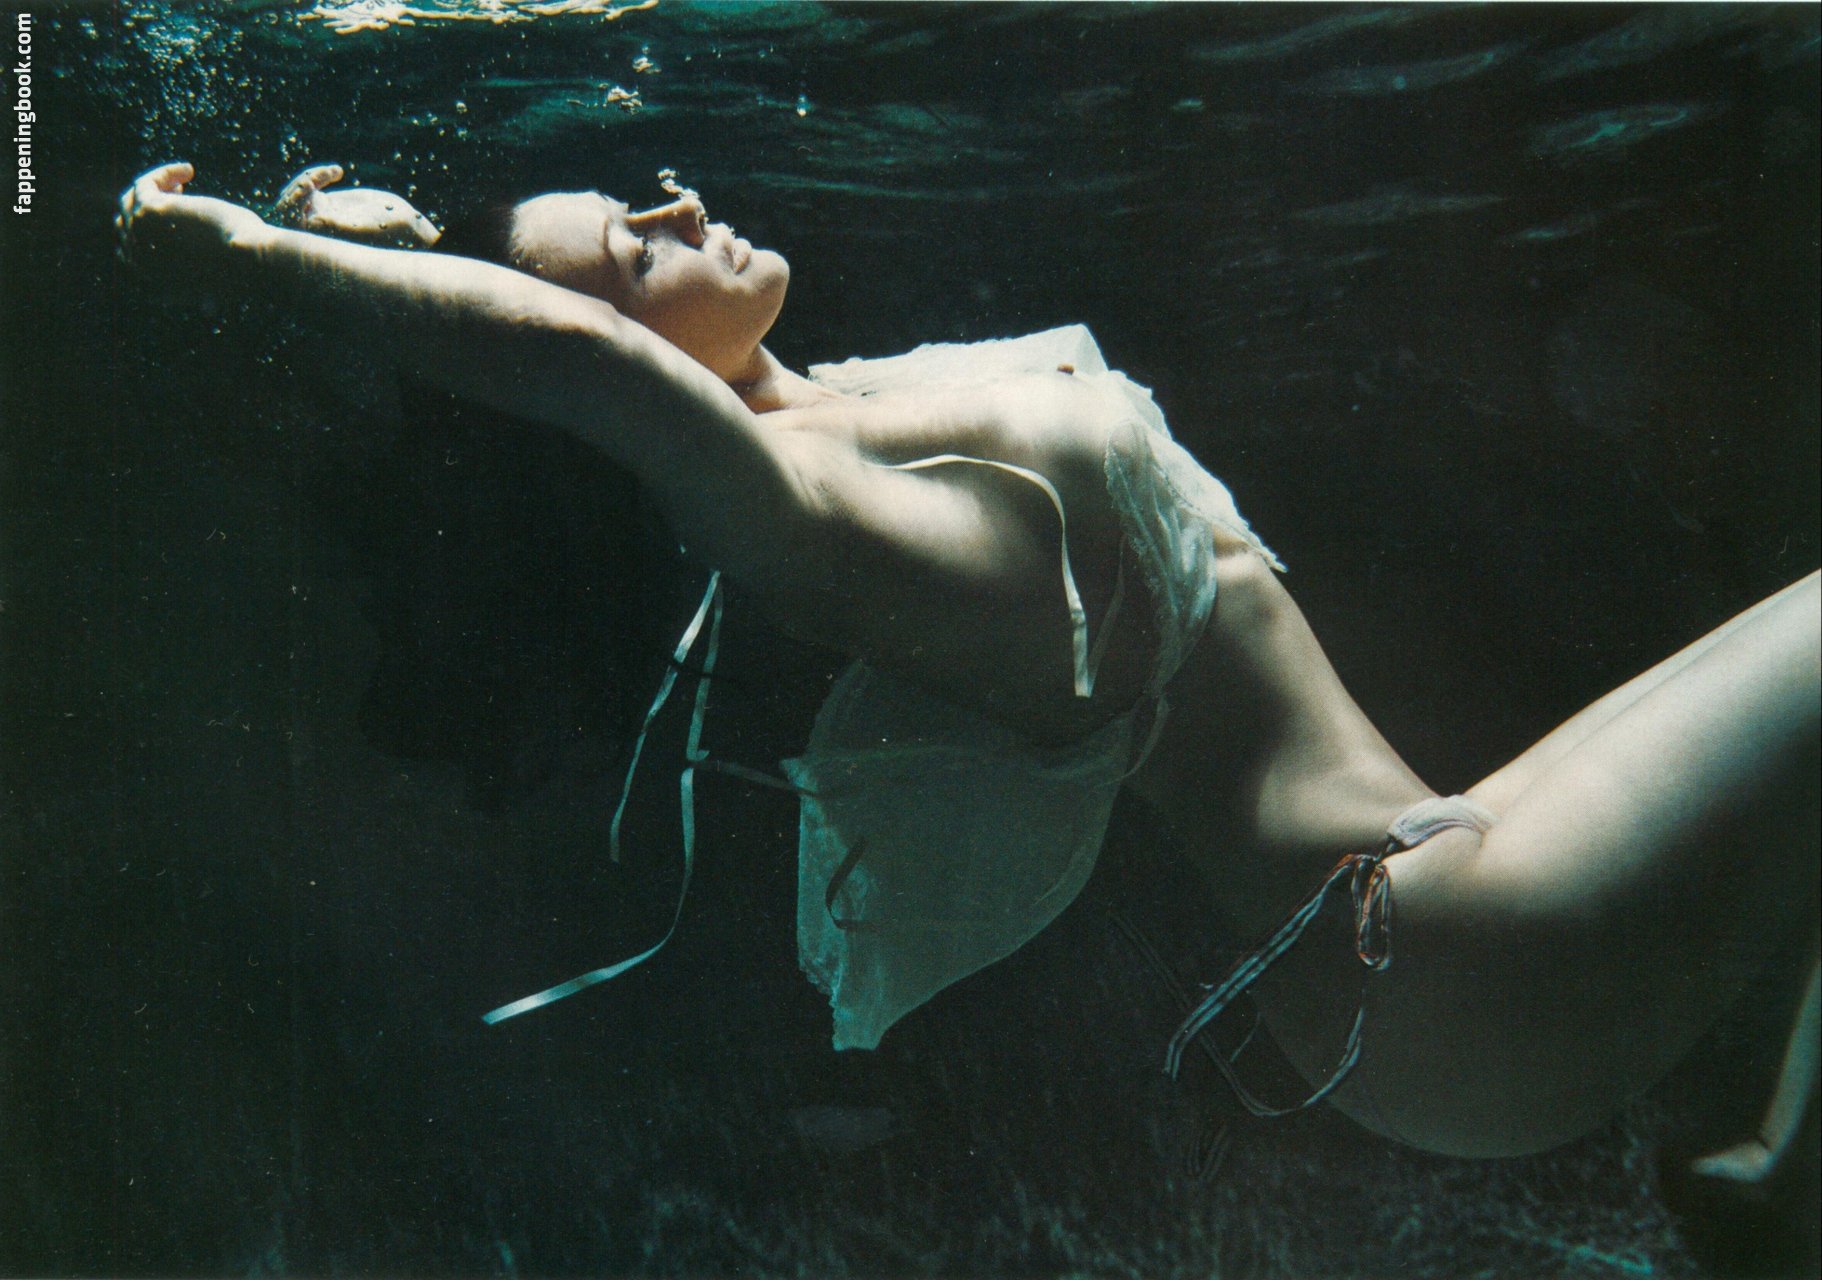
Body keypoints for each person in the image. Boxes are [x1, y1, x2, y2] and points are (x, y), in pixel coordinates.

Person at [116, 161, 1820, 1162]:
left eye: (643, 202)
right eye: (638, 247)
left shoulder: (845, 405)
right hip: (1443, 970)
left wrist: (397, 244)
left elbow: (543, 347)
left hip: (1430, 906)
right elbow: (572, 366)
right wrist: (256, 259)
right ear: (628, 364)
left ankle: (1779, 1184)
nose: (678, 204)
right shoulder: (807, 514)